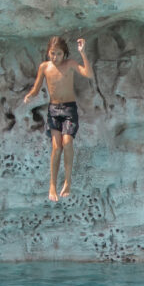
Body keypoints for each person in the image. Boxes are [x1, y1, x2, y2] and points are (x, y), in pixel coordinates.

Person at [24, 36, 94, 201]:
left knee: (67, 142)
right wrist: (30, 95)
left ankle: (68, 182)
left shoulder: (69, 65)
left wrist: (83, 53)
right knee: (56, 147)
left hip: (69, 109)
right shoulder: (45, 67)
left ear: (65, 54)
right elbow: (36, 88)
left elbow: (88, 73)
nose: (55, 57)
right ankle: (52, 185)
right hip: (54, 110)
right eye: (52, 53)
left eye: (59, 54)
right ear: (48, 52)